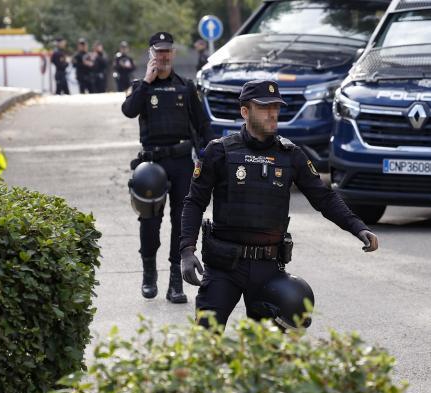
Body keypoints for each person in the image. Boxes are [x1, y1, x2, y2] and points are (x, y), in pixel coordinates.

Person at [179, 79, 379, 328]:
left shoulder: (290, 155)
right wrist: (187, 250)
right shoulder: (219, 152)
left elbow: (324, 198)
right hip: (224, 266)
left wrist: (358, 227)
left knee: (270, 347)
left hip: (269, 269)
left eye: (275, 107)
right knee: (206, 338)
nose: (272, 113)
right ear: (245, 112)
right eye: (264, 107)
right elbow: (194, 202)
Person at [121, 31, 216, 302]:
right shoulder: (141, 86)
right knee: (150, 222)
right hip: (151, 164)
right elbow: (129, 110)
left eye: (167, 51)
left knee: (181, 221)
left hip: (181, 162)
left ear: (172, 54)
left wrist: (212, 154)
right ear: (151, 54)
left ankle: (176, 282)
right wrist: (146, 82)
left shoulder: (185, 87)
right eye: (158, 51)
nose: (163, 56)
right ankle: (149, 273)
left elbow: (203, 124)